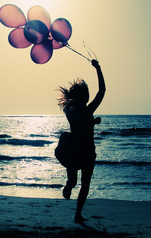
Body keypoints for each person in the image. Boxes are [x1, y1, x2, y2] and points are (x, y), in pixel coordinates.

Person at [57, 59, 106, 223]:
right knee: (85, 184)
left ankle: (68, 186)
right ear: (84, 96)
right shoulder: (88, 110)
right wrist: (98, 68)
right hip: (86, 152)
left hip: (72, 151)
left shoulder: (69, 111)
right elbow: (102, 91)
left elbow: (79, 125)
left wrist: (92, 122)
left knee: (73, 180)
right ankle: (77, 215)